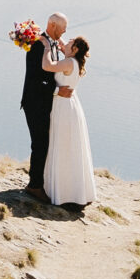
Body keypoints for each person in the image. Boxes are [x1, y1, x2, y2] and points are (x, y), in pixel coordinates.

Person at [43, 35, 97, 211]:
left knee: (62, 145)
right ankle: (73, 191)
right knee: (70, 146)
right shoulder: (73, 61)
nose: (65, 43)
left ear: (74, 49)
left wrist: (45, 48)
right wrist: (58, 42)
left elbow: (47, 66)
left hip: (64, 107)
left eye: (70, 43)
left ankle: (63, 192)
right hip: (69, 104)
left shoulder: (68, 62)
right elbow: (62, 45)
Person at [20, 11, 67, 201]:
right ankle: (35, 186)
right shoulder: (39, 46)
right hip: (35, 101)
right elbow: (36, 80)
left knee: (44, 142)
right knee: (39, 143)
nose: (64, 32)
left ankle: (40, 181)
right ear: (52, 25)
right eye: (63, 28)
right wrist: (57, 91)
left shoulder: (52, 43)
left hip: (44, 102)